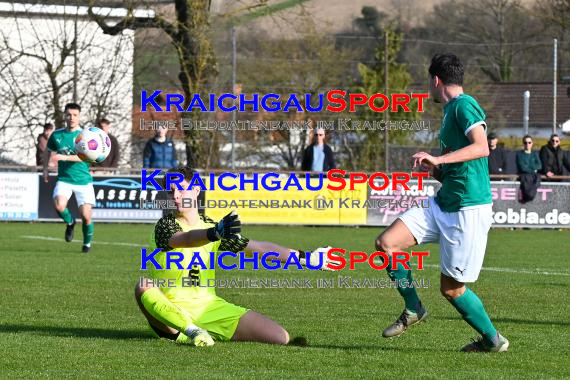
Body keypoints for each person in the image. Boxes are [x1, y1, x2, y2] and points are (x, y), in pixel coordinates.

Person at [374, 53, 508, 353]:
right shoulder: (450, 112)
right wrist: (434, 168)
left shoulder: (464, 105)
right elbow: (456, 168)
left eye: (428, 82)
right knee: (387, 243)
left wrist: (439, 157)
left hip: (468, 210)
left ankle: (492, 340)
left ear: (436, 80)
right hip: (443, 202)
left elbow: (481, 147)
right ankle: (414, 309)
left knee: (452, 289)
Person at [135, 165, 335, 346]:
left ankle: (207, 331)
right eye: (171, 192)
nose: (176, 196)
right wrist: (213, 234)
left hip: (210, 308)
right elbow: (186, 239)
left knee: (280, 337)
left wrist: (306, 258)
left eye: (181, 189)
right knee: (143, 286)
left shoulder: (212, 227)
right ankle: (191, 331)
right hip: (170, 313)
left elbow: (258, 248)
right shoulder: (165, 226)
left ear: (196, 190)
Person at [43, 103, 95, 253]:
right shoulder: (57, 135)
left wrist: (62, 157)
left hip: (83, 181)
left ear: (79, 117)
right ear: (64, 116)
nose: (71, 118)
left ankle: (87, 244)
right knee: (59, 206)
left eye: (75, 115)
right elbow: (48, 151)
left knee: (86, 216)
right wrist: (45, 169)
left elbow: (85, 157)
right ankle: (70, 222)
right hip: (64, 179)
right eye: (69, 115)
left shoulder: (85, 136)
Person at [517, 135, 542, 203]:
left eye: (529, 142)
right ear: (523, 144)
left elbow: (539, 166)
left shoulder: (535, 154)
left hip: (534, 178)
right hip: (525, 179)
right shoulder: (519, 154)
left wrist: (529, 167)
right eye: (525, 142)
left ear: (532, 143)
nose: (527, 144)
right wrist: (533, 169)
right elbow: (522, 168)